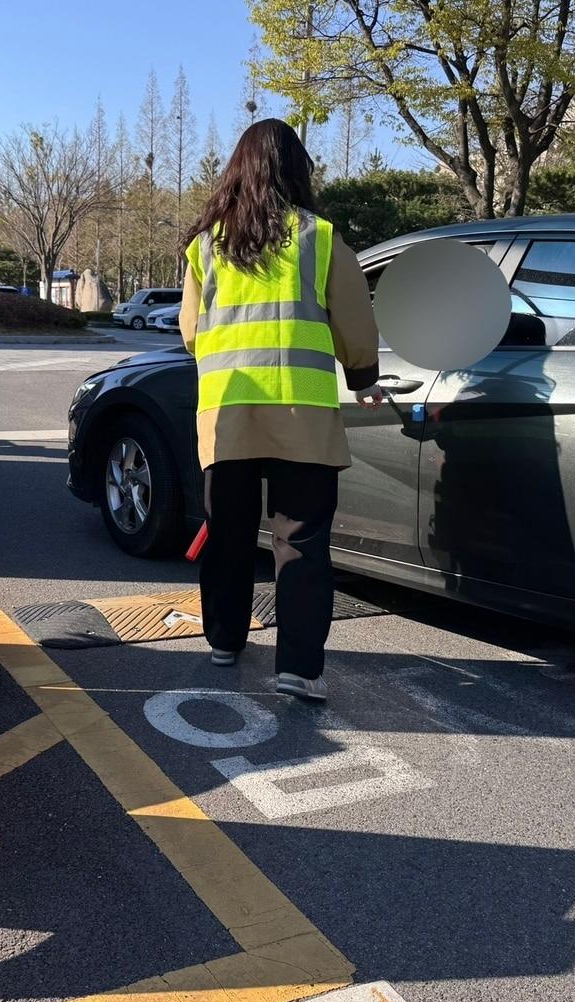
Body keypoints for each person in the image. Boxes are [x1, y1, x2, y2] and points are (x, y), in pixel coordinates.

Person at [178, 118, 381, 703]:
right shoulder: (321, 237)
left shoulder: (205, 246)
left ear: (236, 171)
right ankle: (298, 667)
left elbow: (191, 333)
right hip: (303, 415)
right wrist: (363, 378)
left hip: (228, 415)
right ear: (297, 170)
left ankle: (223, 640)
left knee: (228, 534)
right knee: (301, 542)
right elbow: (355, 324)